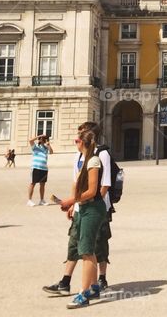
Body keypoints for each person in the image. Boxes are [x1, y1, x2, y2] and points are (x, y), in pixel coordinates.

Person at [44, 122, 114, 296]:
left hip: (97, 207)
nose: (78, 138)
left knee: (97, 244)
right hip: (80, 205)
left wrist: (91, 203)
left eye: (80, 135)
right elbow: (75, 183)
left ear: (89, 137)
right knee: (75, 241)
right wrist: (74, 204)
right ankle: (65, 282)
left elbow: (104, 185)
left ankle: (99, 281)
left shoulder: (101, 154)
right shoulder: (78, 156)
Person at [58, 129, 108, 308]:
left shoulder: (93, 160)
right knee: (88, 249)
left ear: (84, 143)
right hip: (84, 208)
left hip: (93, 209)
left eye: (77, 140)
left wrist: (71, 200)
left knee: (86, 251)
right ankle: (94, 286)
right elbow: (79, 187)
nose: (75, 142)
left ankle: (83, 294)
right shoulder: (83, 160)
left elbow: (92, 191)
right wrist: (72, 204)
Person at [27, 134, 53, 206]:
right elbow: (30, 140)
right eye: (41, 138)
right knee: (33, 183)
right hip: (36, 167)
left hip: (44, 168)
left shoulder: (45, 147)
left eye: (44, 138)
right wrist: (39, 136)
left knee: (42, 185)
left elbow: (51, 152)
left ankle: (42, 200)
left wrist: (49, 145)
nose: (42, 139)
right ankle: (29, 200)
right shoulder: (35, 146)